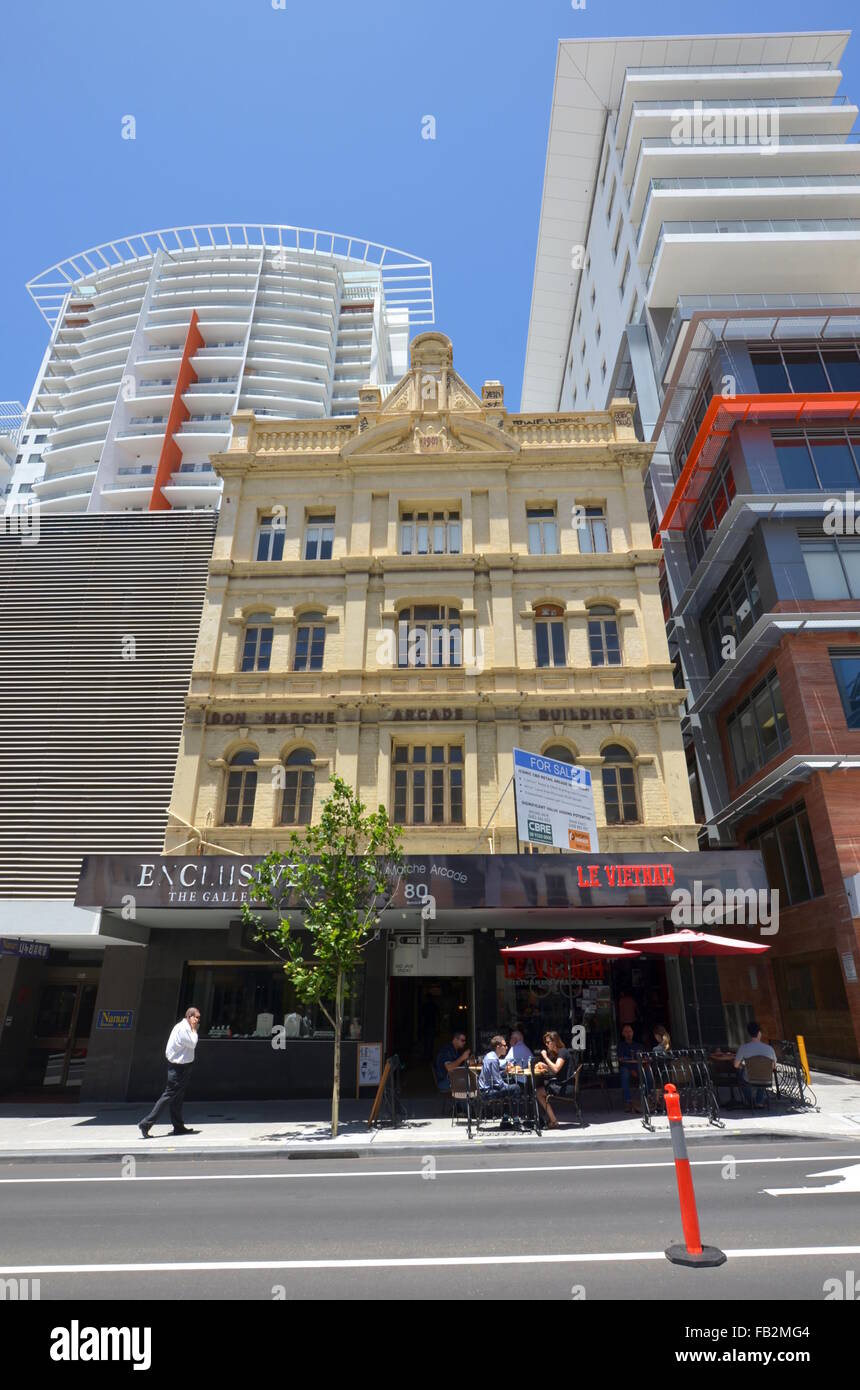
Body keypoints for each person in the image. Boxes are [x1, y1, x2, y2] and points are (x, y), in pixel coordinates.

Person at [139, 1007, 200, 1138]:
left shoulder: (185, 1028)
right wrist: (195, 1030)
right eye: (197, 1017)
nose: (198, 1020)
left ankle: (178, 1126)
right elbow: (193, 1043)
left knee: (177, 1098)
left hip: (183, 1066)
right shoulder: (183, 1029)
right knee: (168, 1096)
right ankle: (146, 1123)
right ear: (190, 1016)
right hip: (178, 1068)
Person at [733, 1021, 777, 1109]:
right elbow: (773, 1066)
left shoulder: (743, 1048)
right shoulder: (769, 1048)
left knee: (740, 1075)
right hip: (766, 1079)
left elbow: (736, 1065)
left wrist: (744, 1066)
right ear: (759, 1033)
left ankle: (750, 1101)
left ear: (749, 1034)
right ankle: (759, 1101)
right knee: (762, 1074)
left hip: (750, 1078)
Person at [534, 1030, 572, 1129]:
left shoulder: (563, 1052)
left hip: (566, 1087)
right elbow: (556, 1069)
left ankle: (553, 1121)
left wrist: (545, 1057)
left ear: (554, 1041)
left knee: (538, 1092)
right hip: (563, 1084)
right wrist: (546, 1066)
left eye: (548, 1042)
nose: (546, 1044)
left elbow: (555, 1069)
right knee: (540, 1088)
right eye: (545, 1042)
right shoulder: (559, 1053)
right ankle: (550, 1119)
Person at [478, 1035, 520, 1126]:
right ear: (498, 1047)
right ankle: (516, 1120)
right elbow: (498, 1082)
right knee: (516, 1088)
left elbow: (495, 1076)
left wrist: (505, 1072)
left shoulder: (490, 1055)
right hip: (487, 1092)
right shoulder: (493, 1059)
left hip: (485, 1089)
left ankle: (505, 1121)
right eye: (504, 1045)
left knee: (510, 1089)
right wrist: (508, 1087)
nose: (507, 1047)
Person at [617, 1023, 641, 1113]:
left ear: (633, 1033)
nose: (628, 1033)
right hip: (627, 1067)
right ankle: (628, 1102)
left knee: (648, 1073)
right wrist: (631, 1070)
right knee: (625, 1073)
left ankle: (648, 1098)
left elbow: (643, 1057)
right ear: (623, 1034)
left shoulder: (638, 1045)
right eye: (626, 1032)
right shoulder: (621, 1046)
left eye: (630, 1031)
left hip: (638, 1067)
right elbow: (620, 1059)